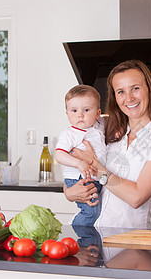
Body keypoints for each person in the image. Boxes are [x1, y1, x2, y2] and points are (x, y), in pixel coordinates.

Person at [63, 60, 151, 229]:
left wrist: (97, 167)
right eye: (121, 92)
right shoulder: (105, 128)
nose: (129, 98)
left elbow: (137, 197)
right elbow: (73, 166)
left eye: (136, 88)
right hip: (86, 231)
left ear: (149, 89)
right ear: (115, 97)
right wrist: (69, 193)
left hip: (127, 240)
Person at [55, 85, 107, 226]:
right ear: (67, 114)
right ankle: (80, 235)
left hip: (95, 177)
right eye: (74, 110)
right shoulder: (70, 134)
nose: (80, 115)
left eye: (86, 110)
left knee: (98, 211)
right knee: (91, 212)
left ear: (98, 113)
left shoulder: (98, 125)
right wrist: (79, 163)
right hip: (79, 178)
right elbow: (59, 154)